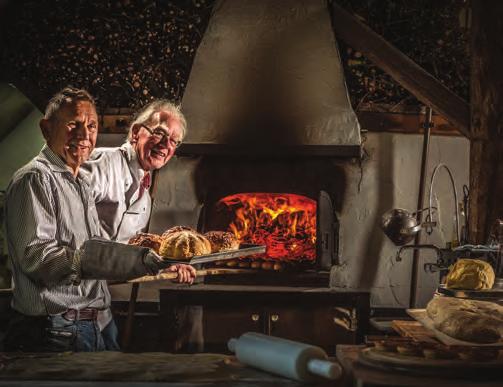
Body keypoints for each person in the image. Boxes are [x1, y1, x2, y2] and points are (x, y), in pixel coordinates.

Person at [3, 87, 196, 353]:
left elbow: (111, 247)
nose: (84, 136)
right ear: (46, 129)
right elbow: (41, 258)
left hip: (96, 317)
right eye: (73, 124)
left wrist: (160, 265)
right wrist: (113, 260)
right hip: (58, 326)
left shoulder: (80, 182)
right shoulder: (41, 178)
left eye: (92, 126)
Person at [83, 99, 186, 243]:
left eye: (174, 141)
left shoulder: (146, 196)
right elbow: (68, 217)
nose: (166, 145)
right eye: (159, 133)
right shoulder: (103, 163)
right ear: (136, 132)